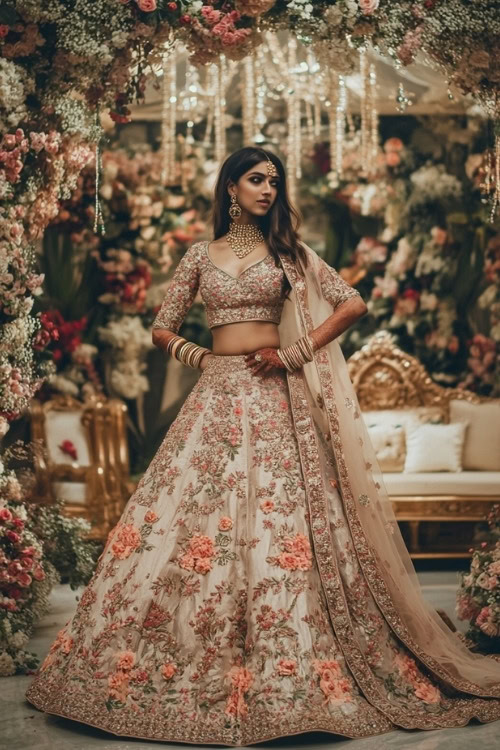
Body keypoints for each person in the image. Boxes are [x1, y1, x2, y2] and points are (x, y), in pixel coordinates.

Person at [25, 147, 500, 746]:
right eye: (256, 179)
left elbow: (353, 301)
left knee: (283, 520)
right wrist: (199, 356)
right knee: (195, 516)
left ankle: (296, 665)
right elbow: (162, 325)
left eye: (275, 180)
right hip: (216, 396)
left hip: (278, 396)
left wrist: (297, 353)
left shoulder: (291, 254)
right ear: (230, 188)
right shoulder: (201, 255)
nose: (268, 189)